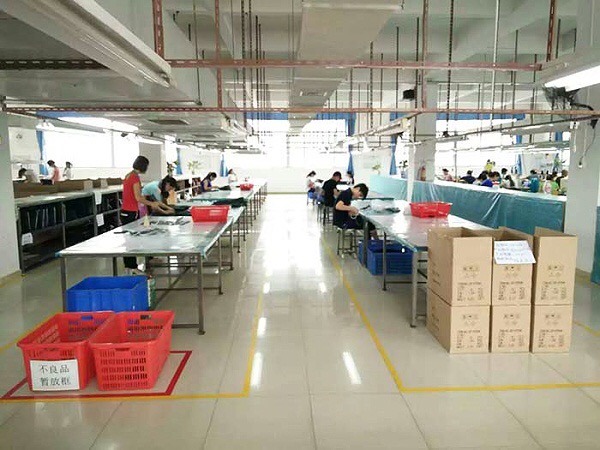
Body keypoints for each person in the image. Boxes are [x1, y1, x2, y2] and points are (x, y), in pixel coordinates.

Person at [121, 156, 170, 274]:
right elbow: (138, 198)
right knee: (131, 240)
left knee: (129, 239)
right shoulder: (135, 178)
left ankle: (130, 266)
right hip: (130, 212)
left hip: (126, 211)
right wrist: (152, 203)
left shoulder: (129, 175)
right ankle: (132, 267)